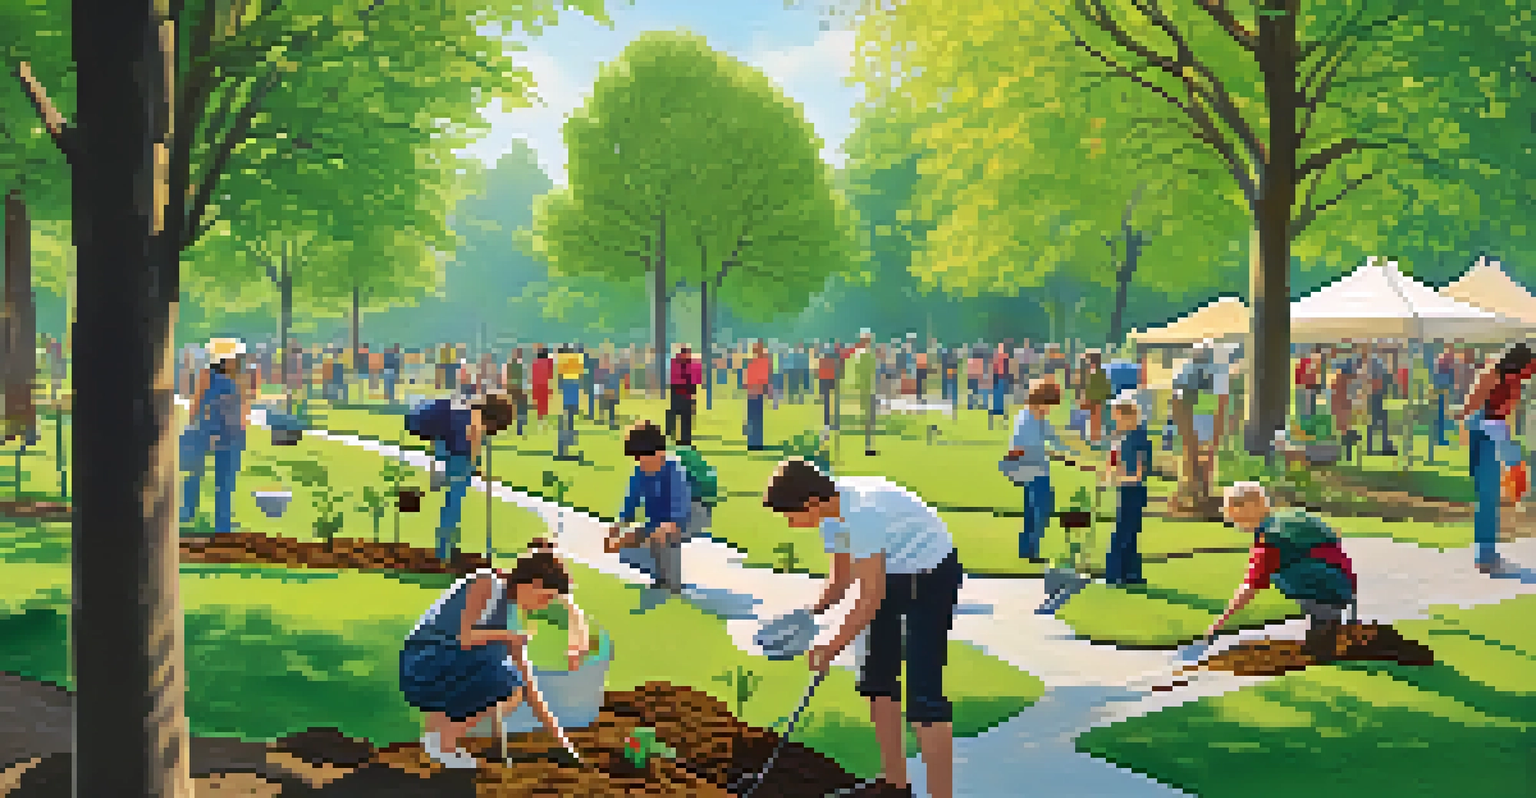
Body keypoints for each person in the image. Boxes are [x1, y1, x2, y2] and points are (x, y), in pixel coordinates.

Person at [764, 458, 961, 798]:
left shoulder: (862, 513)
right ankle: (895, 785)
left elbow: (870, 598)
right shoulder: (831, 514)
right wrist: (811, 615)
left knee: (924, 697)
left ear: (810, 503)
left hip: (931, 576)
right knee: (876, 682)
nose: (790, 523)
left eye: (790, 515)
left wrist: (832, 647)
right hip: (891, 574)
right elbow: (841, 582)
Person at [398, 538, 592, 769]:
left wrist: (562, 742)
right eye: (545, 598)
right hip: (420, 665)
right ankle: (443, 743)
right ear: (533, 584)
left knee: (510, 683)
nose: (543, 606)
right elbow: (465, 637)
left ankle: (436, 738)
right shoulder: (486, 583)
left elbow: (528, 685)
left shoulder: (511, 615)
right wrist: (508, 637)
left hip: (445, 666)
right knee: (501, 676)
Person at [1207, 483, 1358, 638]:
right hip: (1343, 581)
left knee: (1280, 572)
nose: (1234, 522)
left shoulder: (1270, 537)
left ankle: (1325, 629)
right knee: (1287, 565)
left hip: (1327, 587)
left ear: (1250, 506)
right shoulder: (1288, 517)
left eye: (1234, 515)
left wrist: (1220, 622)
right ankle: (1327, 624)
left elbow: (1251, 585)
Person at [1454, 342, 1536, 574]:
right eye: (1529, 368)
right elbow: (1469, 408)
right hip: (1484, 433)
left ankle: (1488, 551)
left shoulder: (1515, 378)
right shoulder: (1493, 373)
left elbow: (1505, 411)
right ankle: (1485, 554)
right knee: (1488, 495)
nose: (1530, 374)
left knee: (1499, 493)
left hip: (1498, 433)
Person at [406, 392, 515, 561]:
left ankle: (447, 546)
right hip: (448, 441)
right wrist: (475, 464)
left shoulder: (468, 405)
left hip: (426, 423)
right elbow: (474, 434)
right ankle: (444, 551)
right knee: (455, 497)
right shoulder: (475, 416)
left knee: (453, 487)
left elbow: (443, 428)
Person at [607, 422, 694, 593]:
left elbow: (680, 502)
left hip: (684, 518)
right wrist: (618, 527)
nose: (639, 462)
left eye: (642, 456)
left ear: (659, 453)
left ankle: (671, 583)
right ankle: (657, 569)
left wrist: (672, 525)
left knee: (662, 536)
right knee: (622, 545)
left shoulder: (674, 470)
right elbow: (631, 501)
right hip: (655, 522)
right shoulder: (641, 472)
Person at [181, 338, 250, 534]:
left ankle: (216, 520)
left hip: (218, 432)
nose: (238, 360)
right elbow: (198, 401)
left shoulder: (212, 376)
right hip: (218, 432)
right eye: (235, 357)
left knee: (214, 476)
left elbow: (243, 406)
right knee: (204, 474)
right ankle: (203, 517)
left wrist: (192, 424)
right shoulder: (218, 376)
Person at [1005, 378, 1067, 561]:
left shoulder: (1037, 417)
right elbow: (1029, 446)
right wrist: (1056, 454)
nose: (1050, 409)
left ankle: (1028, 550)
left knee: (1034, 510)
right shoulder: (1027, 420)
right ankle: (1030, 550)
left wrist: (1073, 450)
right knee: (1041, 509)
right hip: (1031, 470)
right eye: (1049, 404)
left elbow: (1053, 437)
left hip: (1036, 469)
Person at [1105, 395, 1151, 586]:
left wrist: (1119, 478)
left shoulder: (1138, 437)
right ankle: (1127, 574)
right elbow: (1115, 461)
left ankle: (1119, 574)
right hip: (1126, 489)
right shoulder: (1124, 436)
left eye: (1117, 416)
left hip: (1133, 490)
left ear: (1128, 416)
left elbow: (1139, 472)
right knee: (1126, 531)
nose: (1115, 420)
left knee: (1126, 532)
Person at [667, 344, 701, 446]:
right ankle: (672, 433)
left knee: (686, 418)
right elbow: (675, 379)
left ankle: (685, 440)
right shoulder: (676, 363)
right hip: (678, 393)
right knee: (676, 414)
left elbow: (696, 379)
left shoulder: (692, 364)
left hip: (687, 394)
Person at [745, 341, 772, 451]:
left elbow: (762, 378)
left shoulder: (758, 362)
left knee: (754, 419)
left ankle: (754, 442)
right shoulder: (757, 362)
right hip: (754, 393)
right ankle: (754, 442)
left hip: (755, 393)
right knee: (755, 419)